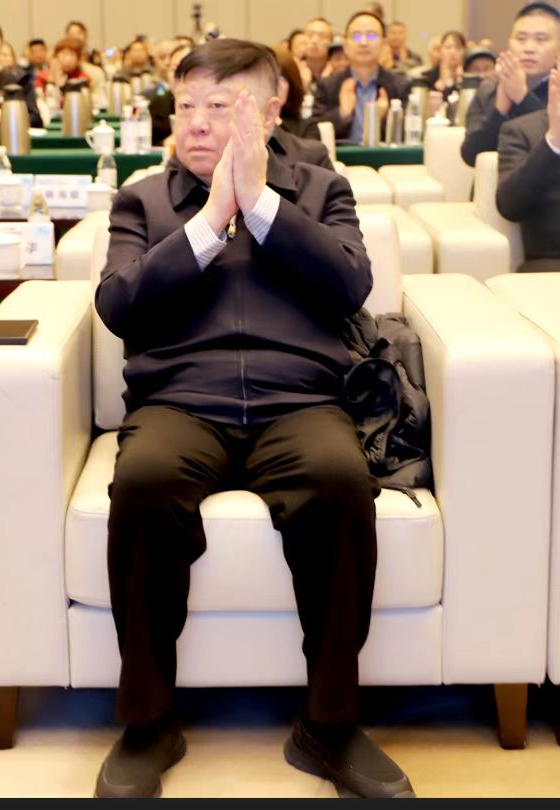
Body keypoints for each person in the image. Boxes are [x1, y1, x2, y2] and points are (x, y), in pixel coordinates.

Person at [93, 37, 414, 801]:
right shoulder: (143, 200)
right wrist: (212, 218)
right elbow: (118, 304)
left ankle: (329, 724)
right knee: (143, 482)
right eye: (186, 106)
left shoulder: (322, 189)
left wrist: (260, 202)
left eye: (221, 105)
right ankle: (148, 723)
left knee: (340, 483)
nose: (198, 123)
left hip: (299, 400)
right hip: (180, 401)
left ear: (270, 114)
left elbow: (350, 284)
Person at [461, 2, 560, 167]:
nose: (529, 48)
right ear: (509, 44)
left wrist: (522, 97)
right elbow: (471, 155)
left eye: (540, 40)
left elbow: (554, 148)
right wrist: (500, 109)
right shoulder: (490, 87)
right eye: (521, 39)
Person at [307, 11, 410, 142]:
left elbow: (410, 136)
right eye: (356, 36)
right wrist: (342, 113)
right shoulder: (327, 86)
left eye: (371, 36)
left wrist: (383, 118)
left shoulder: (400, 86)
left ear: (384, 44)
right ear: (345, 45)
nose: (363, 42)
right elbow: (312, 134)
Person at [496, 62, 560, 271]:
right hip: (551, 265)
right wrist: (553, 141)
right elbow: (509, 206)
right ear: (555, 78)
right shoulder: (521, 131)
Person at [420, 31, 466, 119]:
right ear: (440, 50)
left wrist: (460, 80)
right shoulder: (427, 77)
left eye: (458, 48)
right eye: (448, 47)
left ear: (464, 51)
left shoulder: (468, 77)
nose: (452, 52)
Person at [303, 18, 333, 87]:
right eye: (310, 35)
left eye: (322, 36)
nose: (314, 41)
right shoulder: (292, 71)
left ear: (331, 42)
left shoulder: (338, 72)